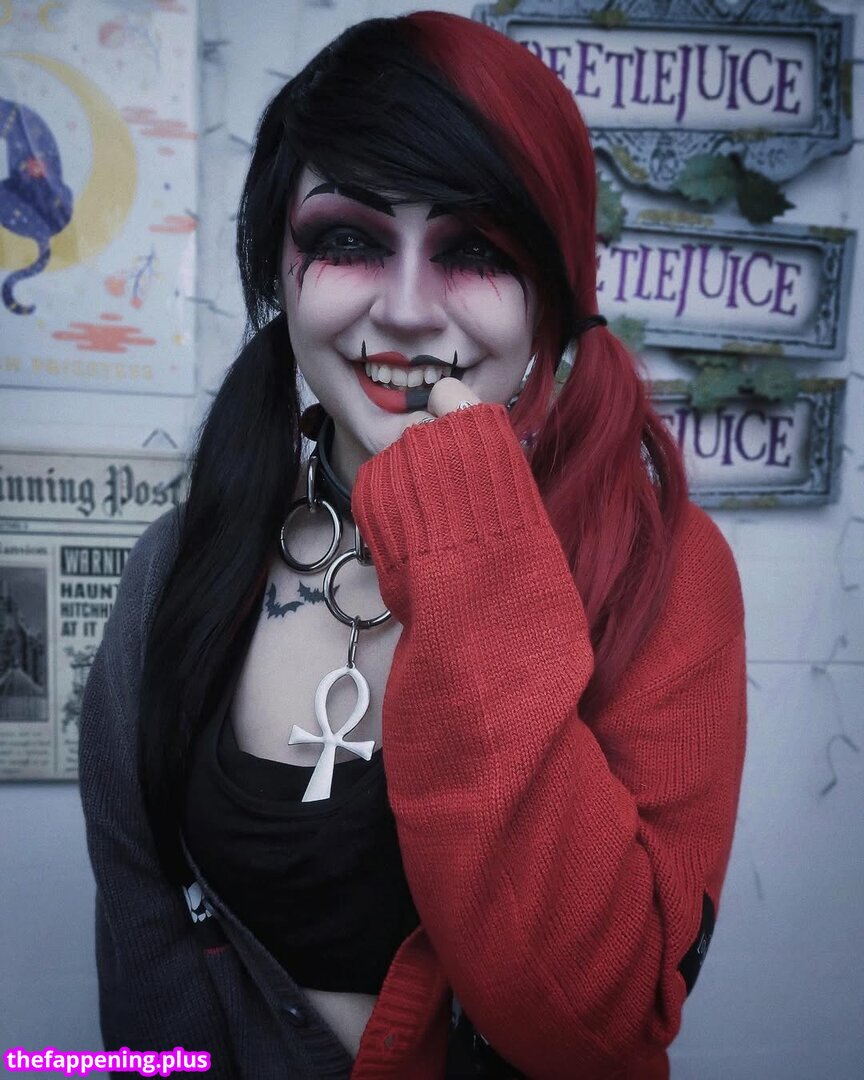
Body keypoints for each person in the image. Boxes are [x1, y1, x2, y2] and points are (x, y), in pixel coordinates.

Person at [78, 11, 746, 1079]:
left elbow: (596, 1020)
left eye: (474, 250)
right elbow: (143, 936)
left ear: (553, 294)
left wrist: (471, 545)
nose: (403, 310)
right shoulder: (177, 566)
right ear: (278, 263)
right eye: (347, 240)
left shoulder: (660, 572)